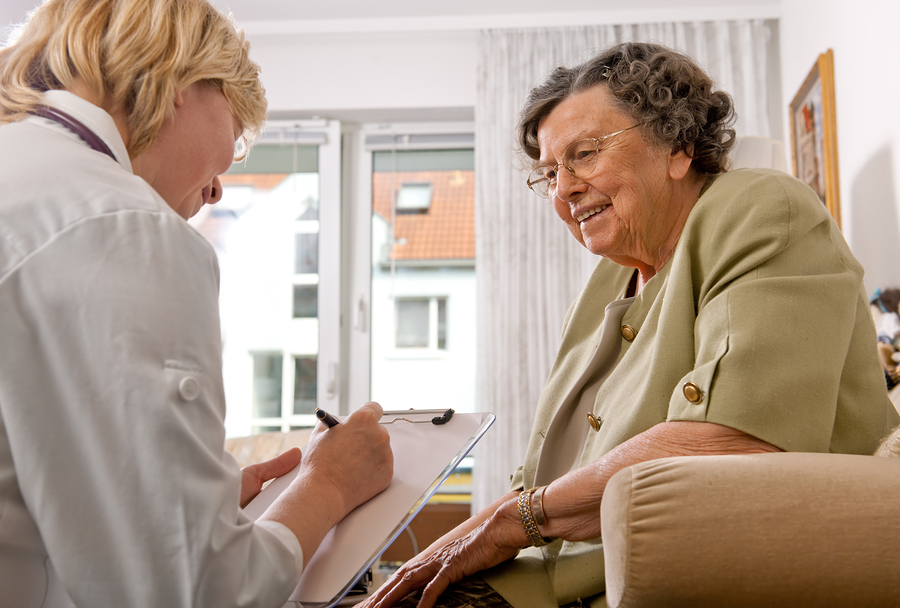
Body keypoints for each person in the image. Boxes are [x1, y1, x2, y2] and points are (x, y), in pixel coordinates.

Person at [361, 42, 899, 608]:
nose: (563, 190)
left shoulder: (761, 208)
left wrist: (508, 521)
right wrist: (437, 554)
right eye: (549, 173)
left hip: (729, 565)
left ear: (678, 146)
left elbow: (736, 441)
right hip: (566, 577)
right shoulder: (606, 282)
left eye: (585, 154)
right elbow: (534, 483)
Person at [0, 1, 392, 607]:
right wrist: (328, 484)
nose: (216, 187)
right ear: (186, 82)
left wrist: (175, 507)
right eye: (232, 142)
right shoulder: (122, 226)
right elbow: (193, 592)